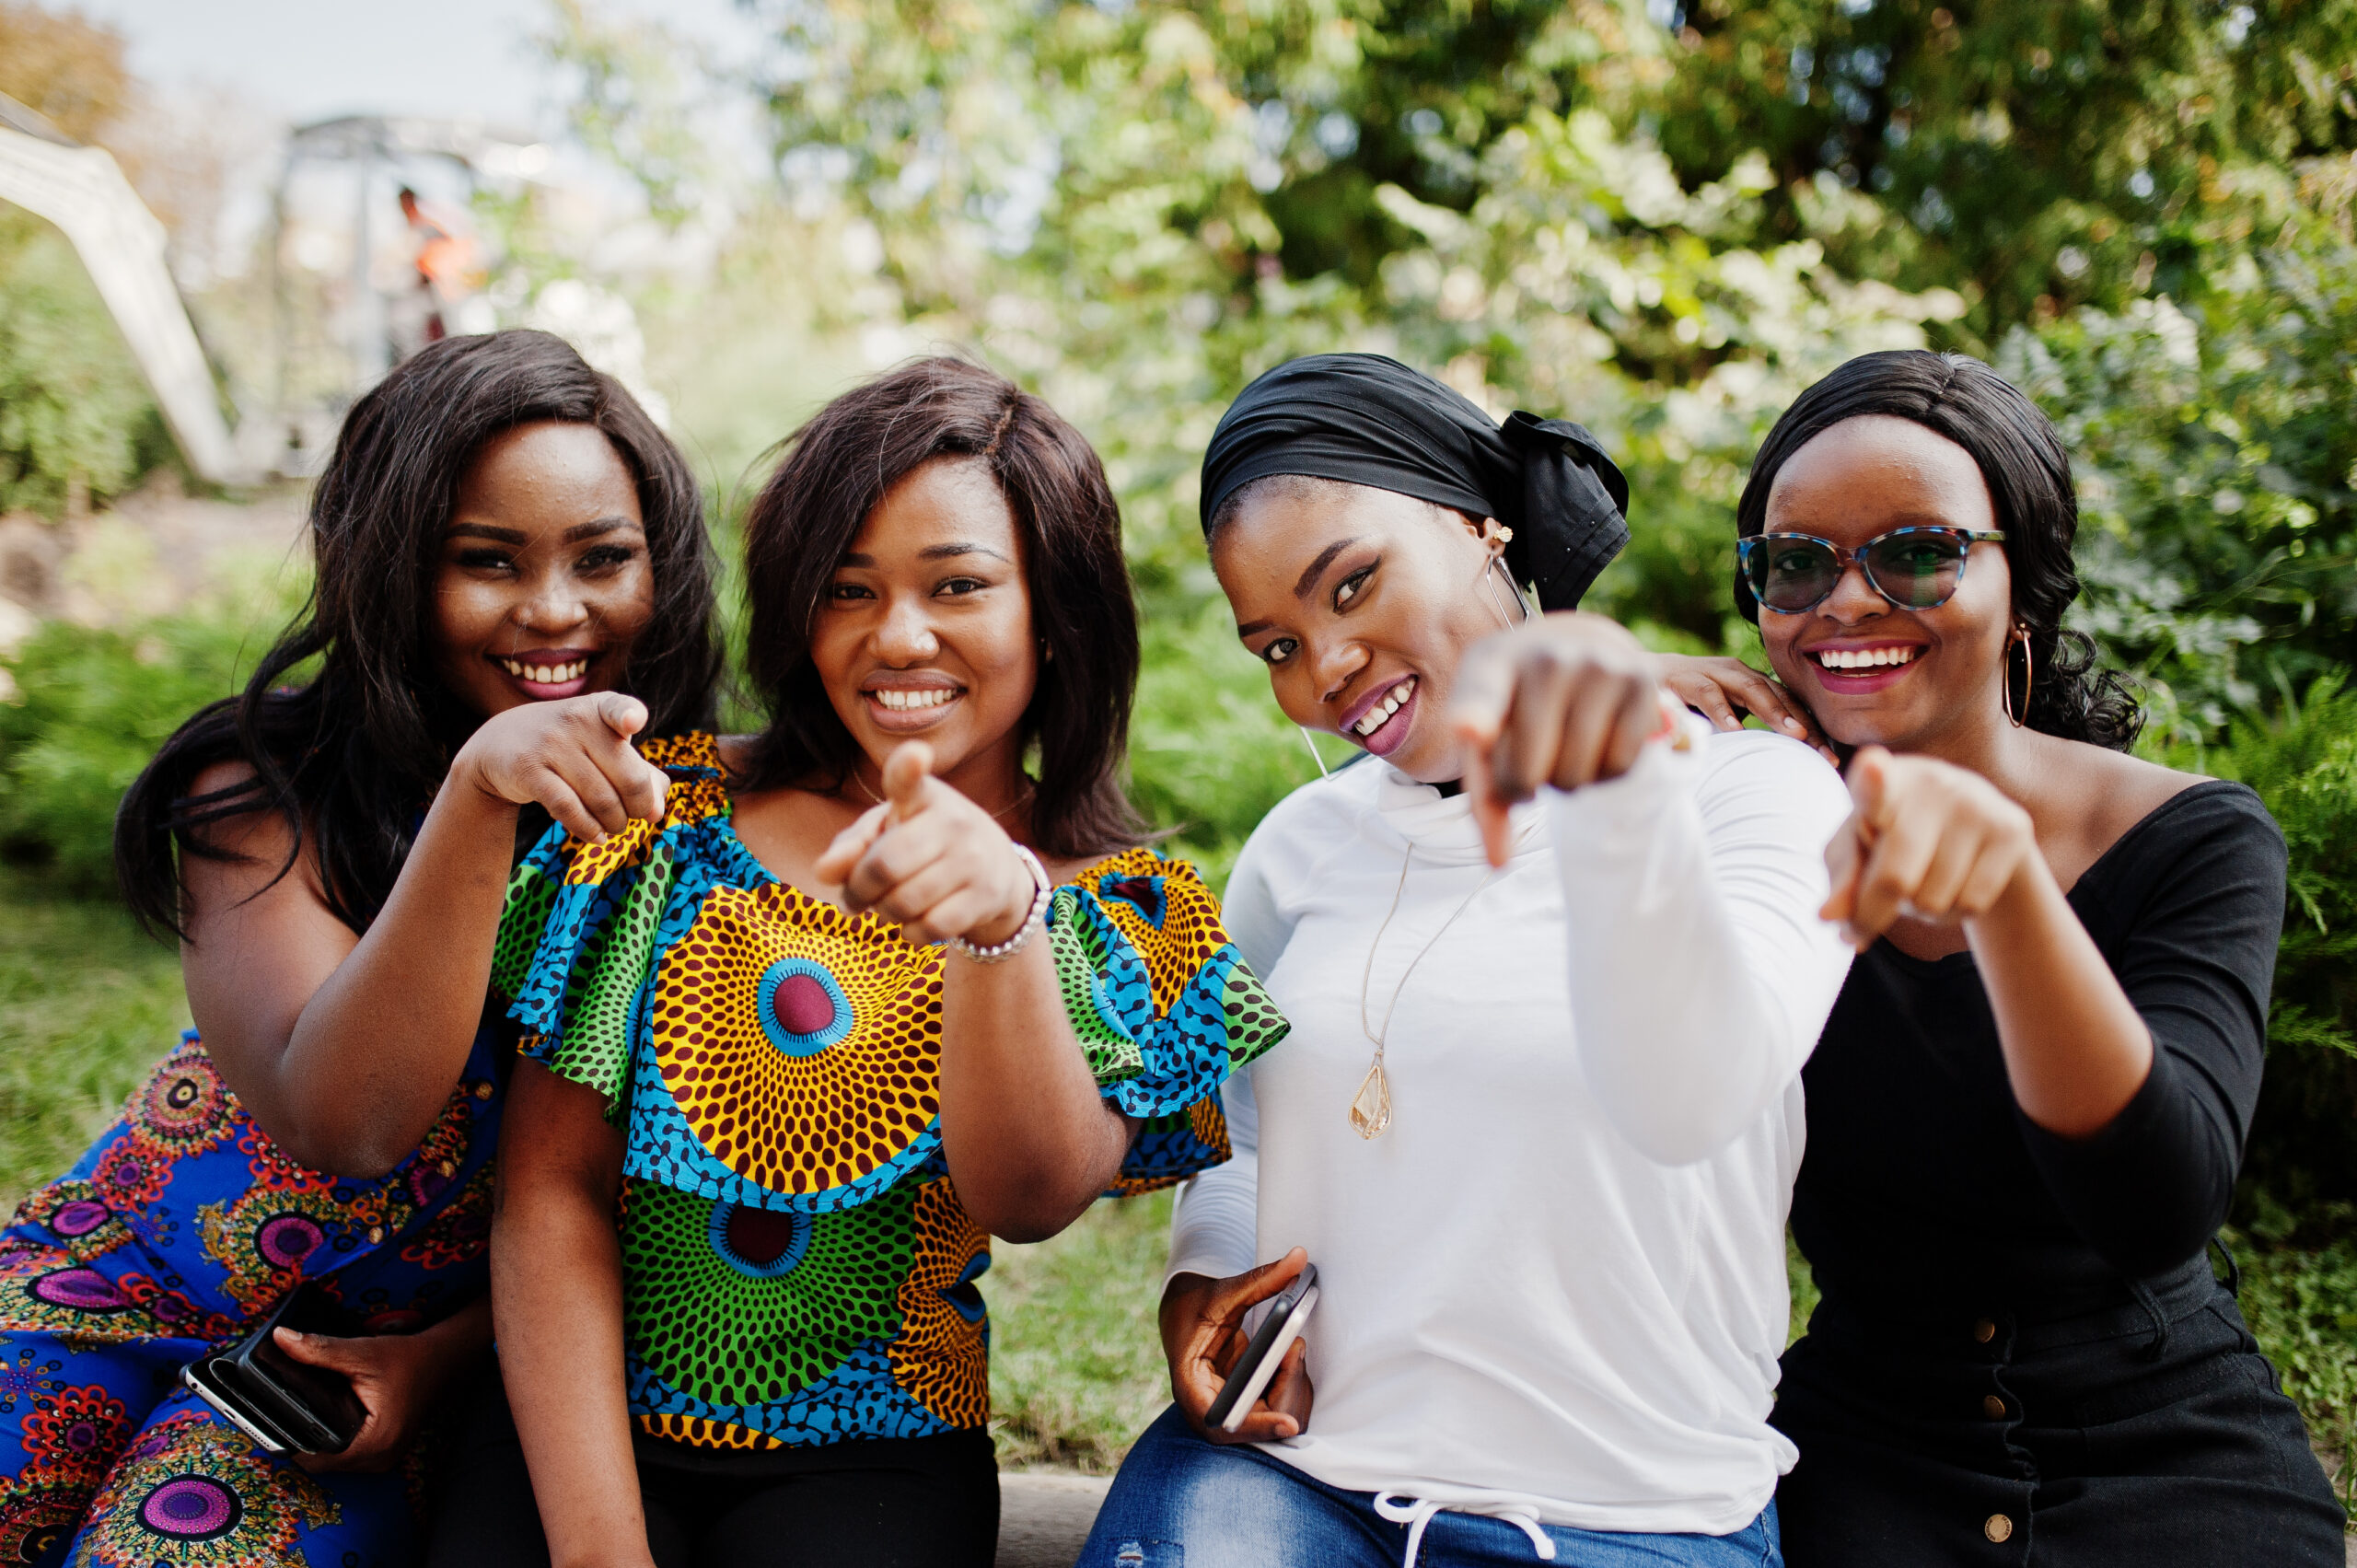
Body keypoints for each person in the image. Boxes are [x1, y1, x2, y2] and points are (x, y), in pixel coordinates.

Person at [433, 357, 1284, 1568]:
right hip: (577, 1427)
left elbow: (1031, 1198)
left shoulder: (1117, 907)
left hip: (877, 1457)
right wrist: (599, 1552)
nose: (898, 636)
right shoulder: (660, 822)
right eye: (849, 588)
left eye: (959, 586)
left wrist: (1002, 925)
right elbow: (550, 1196)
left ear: (1060, 611)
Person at [1081, 353, 1859, 1568]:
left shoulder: (1749, 793)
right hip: (1295, 1484)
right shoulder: (1302, 848)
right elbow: (1241, 1132)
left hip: (1632, 1518)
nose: (1325, 668)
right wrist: (1206, 1277)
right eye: (1275, 645)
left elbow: (1697, 1090)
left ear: (1477, 522)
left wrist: (1609, 783)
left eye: (1352, 585)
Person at [0, 329, 721, 1567]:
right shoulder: (260, 790)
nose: (554, 611)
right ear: (390, 571)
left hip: (348, 1389)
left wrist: (441, 1365)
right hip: (110, 1293)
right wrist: (475, 800)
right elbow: (335, 1110)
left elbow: (648, 1211)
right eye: (486, 562)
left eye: (603, 559)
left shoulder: (699, 835)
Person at [1694, 349, 2345, 1564]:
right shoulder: (1737, 838)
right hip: (1863, 1449)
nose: (1845, 601)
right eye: (1795, 563)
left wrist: (2006, 895)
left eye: (1915, 552)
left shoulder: (2189, 837)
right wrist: (1615, 746)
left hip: (2168, 1443)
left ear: (2023, 580)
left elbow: (2159, 1202)